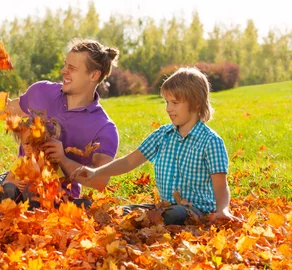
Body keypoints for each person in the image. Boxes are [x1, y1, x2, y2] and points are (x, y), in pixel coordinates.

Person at [0, 39, 120, 210]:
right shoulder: (42, 91)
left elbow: (99, 181)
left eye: (72, 68)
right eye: (65, 65)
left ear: (94, 75)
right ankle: (5, 200)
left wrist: (63, 160)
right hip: (16, 181)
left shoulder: (104, 128)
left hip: (55, 194)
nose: (63, 70)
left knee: (32, 204)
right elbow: (5, 109)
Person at [72, 67, 242, 225]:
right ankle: (89, 208)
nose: (168, 108)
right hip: (163, 208)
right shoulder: (162, 135)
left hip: (195, 210)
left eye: (175, 103)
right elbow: (129, 162)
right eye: (166, 102)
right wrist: (96, 172)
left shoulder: (211, 141)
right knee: (126, 212)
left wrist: (223, 210)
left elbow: (220, 185)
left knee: (176, 214)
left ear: (196, 103)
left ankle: (148, 219)